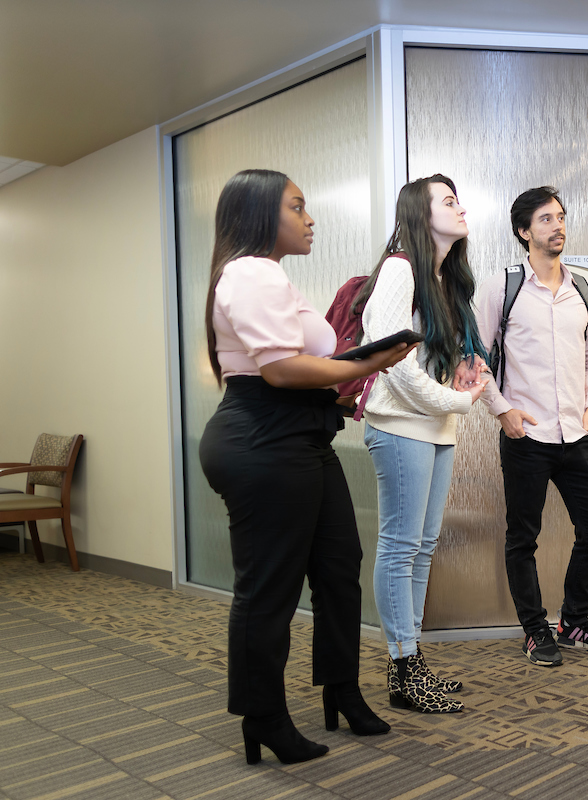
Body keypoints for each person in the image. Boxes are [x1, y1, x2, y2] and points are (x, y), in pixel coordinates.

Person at [199, 169, 414, 765]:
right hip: (262, 439)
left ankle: (341, 690)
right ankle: (262, 717)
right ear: (261, 214)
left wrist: (352, 376)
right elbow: (279, 370)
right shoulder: (248, 273)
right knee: (268, 588)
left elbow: (300, 368)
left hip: (299, 436)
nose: (309, 217)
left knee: (339, 567)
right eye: (297, 207)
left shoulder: (270, 276)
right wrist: (364, 363)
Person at [355, 175, 490, 713]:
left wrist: (460, 383)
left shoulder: (443, 280)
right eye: (449, 201)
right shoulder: (400, 269)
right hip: (401, 426)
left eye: (460, 200)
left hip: (435, 427)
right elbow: (389, 357)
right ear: (419, 212)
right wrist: (454, 401)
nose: (460, 209)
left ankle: (411, 659)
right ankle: (402, 668)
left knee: (422, 546)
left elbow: (435, 362)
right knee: (400, 546)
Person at [476, 186, 588, 667]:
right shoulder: (504, 286)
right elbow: (475, 356)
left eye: (560, 217)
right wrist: (501, 410)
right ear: (524, 231)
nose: (557, 226)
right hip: (527, 435)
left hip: (577, 433)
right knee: (523, 537)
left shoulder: (584, 286)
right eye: (545, 219)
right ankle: (535, 630)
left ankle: (574, 620)